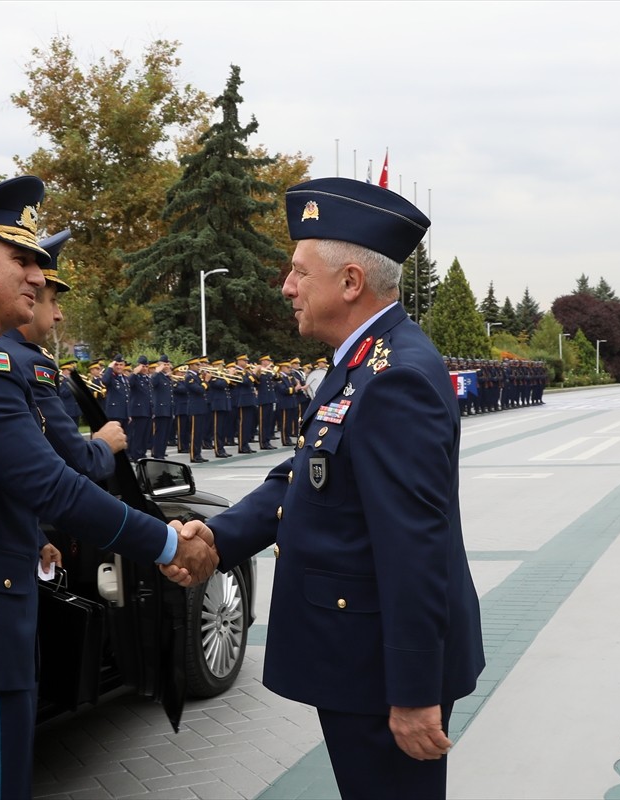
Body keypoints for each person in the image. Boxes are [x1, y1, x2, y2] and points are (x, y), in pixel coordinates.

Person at [0, 176, 217, 800]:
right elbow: (53, 485)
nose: (36, 275)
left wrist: (25, 536)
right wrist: (165, 544)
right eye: (22, 260)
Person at [166, 177, 484, 800]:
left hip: (380, 672)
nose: (286, 287)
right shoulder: (363, 363)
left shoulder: (396, 378)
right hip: (359, 660)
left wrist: (415, 693)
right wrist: (220, 536)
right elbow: (309, 475)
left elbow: (414, 544)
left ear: (350, 283)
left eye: (298, 272)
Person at [1, 228, 124, 483]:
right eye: (53, 301)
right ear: (29, 300)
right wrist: (104, 443)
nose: (59, 315)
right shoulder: (29, 362)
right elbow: (79, 463)